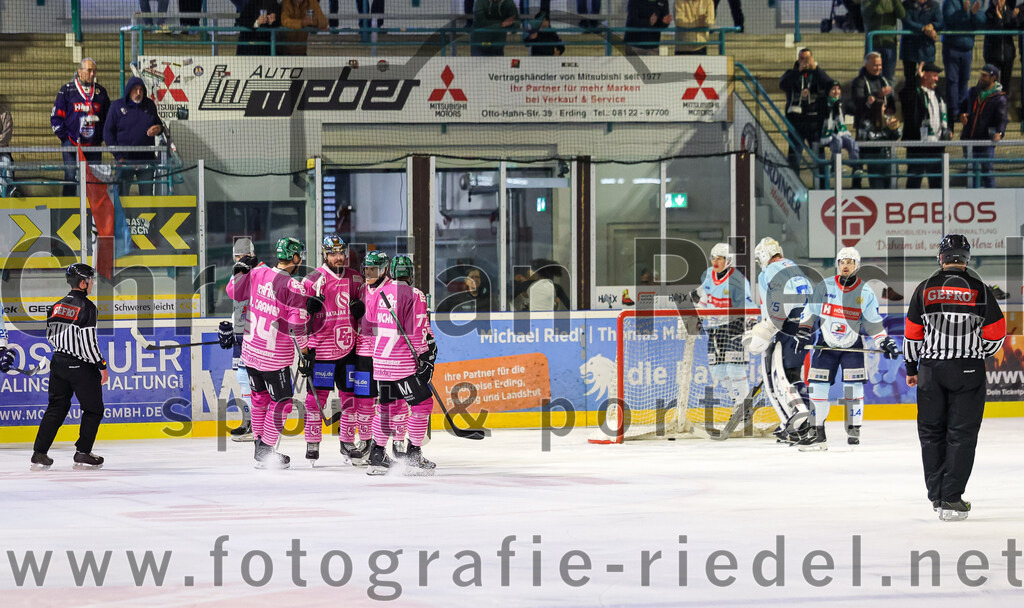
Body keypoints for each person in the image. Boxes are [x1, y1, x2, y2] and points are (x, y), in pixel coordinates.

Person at [904, 234, 1006, 521]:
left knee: (931, 434)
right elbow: (996, 333)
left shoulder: (924, 288)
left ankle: (937, 496)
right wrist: (978, 351)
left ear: (941, 258)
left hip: (930, 370)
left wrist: (911, 368)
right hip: (968, 369)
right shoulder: (980, 289)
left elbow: (912, 334)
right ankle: (951, 498)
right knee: (962, 435)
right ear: (966, 259)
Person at [226, 237, 318, 469]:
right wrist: (306, 353)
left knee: (260, 400)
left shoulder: (258, 273)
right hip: (273, 358)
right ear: (295, 258)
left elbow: (233, 292)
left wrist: (240, 272)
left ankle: (260, 448)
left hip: (250, 353)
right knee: (283, 403)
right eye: (299, 257)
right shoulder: (293, 286)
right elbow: (297, 326)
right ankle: (266, 451)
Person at [796, 247, 899, 449]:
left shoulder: (865, 292)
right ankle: (817, 433)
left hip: (853, 346)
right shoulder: (824, 286)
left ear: (857, 265)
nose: (845, 265)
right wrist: (803, 331)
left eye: (850, 262)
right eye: (842, 262)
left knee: (853, 389)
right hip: (825, 345)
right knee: (817, 388)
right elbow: (810, 310)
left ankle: (853, 429)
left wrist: (884, 341)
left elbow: (873, 323)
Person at [30, 264, 109, 471]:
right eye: (90, 280)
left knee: (56, 408)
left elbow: (50, 336)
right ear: (82, 283)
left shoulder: (55, 306)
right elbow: (89, 344)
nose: (92, 283)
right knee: (94, 410)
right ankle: (83, 452)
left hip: (58, 362)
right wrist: (101, 365)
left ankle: (39, 453)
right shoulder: (87, 307)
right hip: (81, 366)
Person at [300, 235, 365, 465]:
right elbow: (297, 316)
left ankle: (347, 443)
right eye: (333, 253)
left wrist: (361, 310)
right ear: (324, 254)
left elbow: (369, 308)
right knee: (315, 400)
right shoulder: (311, 280)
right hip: (322, 351)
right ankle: (312, 442)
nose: (338, 257)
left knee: (350, 398)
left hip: (349, 348)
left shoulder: (356, 278)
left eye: (341, 253)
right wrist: (304, 350)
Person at [744, 237, 814, 443]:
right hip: (805, 324)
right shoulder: (793, 267)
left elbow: (780, 301)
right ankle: (797, 423)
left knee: (777, 378)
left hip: (785, 325)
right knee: (793, 374)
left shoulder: (770, 271)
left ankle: (799, 420)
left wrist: (768, 327)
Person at [380, 255, 438, 474]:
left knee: (386, 408)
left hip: (381, 363)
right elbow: (419, 330)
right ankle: (413, 454)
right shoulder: (416, 294)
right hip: (402, 362)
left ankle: (376, 453)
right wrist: (426, 356)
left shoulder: (379, 293)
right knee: (423, 405)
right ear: (411, 274)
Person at [692, 243, 756, 411]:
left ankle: (744, 406)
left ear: (728, 260)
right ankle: (737, 401)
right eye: (713, 258)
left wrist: (751, 321)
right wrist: (698, 315)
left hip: (735, 326)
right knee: (718, 371)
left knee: (735, 369)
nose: (715, 262)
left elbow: (748, 303)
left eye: (719, 258)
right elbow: (704, 299)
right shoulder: (708, 275)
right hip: (715, 328)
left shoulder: (737, 280)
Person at [219, 237, 262, 442]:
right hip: (241, 334)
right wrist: (230, 327)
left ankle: (257, 425)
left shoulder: (261, 271)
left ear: (252, 255)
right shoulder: (238, 272)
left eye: (244, 256)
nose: (241, 259)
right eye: (237, 256)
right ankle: (248, 422)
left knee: (254, 381)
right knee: (243, 379)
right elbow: (235, 298)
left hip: (256, 335)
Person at [350, 250, 389, 468]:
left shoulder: (392, 290)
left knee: (390, 402)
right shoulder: (362, 290)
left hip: (387, 353)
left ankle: (393, 443)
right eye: (366, 269)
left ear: (384, 270)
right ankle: (366, 441)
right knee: (364, 401)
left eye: (374, 269)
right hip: (364, 351)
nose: (369, 273)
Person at [52, 58, 110, 197]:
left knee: (94, 179)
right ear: (79, 71)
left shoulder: (101, 92)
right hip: (71, 144)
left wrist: (100, 137)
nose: (92, 74)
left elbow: (108, 118)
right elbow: (56, 117)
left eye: (94, 71)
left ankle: (92, 210)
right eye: (89, 70)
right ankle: (68, 208)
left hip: (93, 145)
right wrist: (65, 138)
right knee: (70, 177)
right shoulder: (67, 90)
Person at [103, 76, 162, 196]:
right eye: (135, 89)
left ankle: (146, 210)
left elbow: (158, 125)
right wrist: (119, 157)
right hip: (125, 160)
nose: (138, 93)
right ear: (129, 90)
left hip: (146, 160)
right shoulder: (116, 106)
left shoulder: (150, 105)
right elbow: (107, 133)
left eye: (141, 89)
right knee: (122, 195)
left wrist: (158, 129)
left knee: (147, 195)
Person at [780, 48, 832, 171]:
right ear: (798, 60)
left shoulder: (818, 74)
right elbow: (783, 85)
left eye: (807, 58)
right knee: (794, 155)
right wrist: (798, 71)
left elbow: (830, 85)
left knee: (818, 154)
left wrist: (816, 69)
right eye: (802, 58)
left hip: (814, 122)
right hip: (796, 121)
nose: (805, 61)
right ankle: (794, 181)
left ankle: (822, 181)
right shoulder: (791, 73)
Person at [900, 61, 950, 188]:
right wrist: (917, 78)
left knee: (937, 181)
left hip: (937, 145)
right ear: (925, 75)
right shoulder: (915, 91)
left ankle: (938, 201)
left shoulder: (939, 93)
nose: (937, 79)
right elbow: (905, 95)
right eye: (934, 75)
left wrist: (949, 129)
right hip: (918, 144)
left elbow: (947, 112)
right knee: (914, 180)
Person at [958, 64, 1008, 188]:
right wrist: (961, 115)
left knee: (987, 172)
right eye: (982, 75)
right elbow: (962, 107)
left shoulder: (999, 98)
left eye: (985, 76)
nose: (981, 78)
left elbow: (1002, 119)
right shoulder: (972, 92)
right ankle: (972, 196)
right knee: (971, 173)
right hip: (969, 139)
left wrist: (999, 133)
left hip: (986, 142)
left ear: (993, 78)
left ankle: (990, 196)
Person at [942, 0, 985, 123]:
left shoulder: (975, 2)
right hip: (952, 47)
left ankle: (962, 111)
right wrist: (965, 12)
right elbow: (949, 20)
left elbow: (981, 23)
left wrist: (974, 14)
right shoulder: (950, 2)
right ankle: (954, 112)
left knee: (964, 80)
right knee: (952, 81)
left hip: (967, 48)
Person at [858, 98, 903, 188]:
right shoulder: (866, 122)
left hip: (890, 161)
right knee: (877, 190)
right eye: (883, 106)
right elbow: (867, 139)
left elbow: (896, 136)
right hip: (874, 162)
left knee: (892, 190)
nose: (885, 108)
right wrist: (887, 131)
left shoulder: (888, 120)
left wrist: (895, 130)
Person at [819, 81, 861, 166]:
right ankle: (835, 166)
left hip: (841, 132)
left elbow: (856, 110)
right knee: (837, 141)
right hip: (827, 134)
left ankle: (856, 167)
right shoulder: (822, 103)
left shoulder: (842, 103)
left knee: (851, 142)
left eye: (838, 89)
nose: (836, 91)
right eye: (833, 89)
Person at [901, 0, 943, 83]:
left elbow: (940, 22)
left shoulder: (934, 5)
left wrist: (932, 25)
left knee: (928, 79)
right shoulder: (906, 5)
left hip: (927, 49)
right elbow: (907, 22)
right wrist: (923, 29)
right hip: (910, 49)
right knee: (910, 80)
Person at [862, 0, 906, 81]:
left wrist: (895, 2)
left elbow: (902, 15)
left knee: (889, 77)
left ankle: (889, 89)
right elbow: (865, 14)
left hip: (889, 42)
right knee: (871, 75)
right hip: (873, 43)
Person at [983, 0, 1019, 96]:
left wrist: (1014, 18)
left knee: (1005, 85)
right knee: (992, 85)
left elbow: (1013, 30)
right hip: (993, 55)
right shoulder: (989, 13)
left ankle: (1004, 102)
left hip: (1007, 55)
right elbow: (993, 31)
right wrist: (999, 19)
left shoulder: (1009, 12)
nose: (999, 1)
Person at [0, 101, 12, 196]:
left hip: (2, 151)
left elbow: (6, 137)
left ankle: (8, 192)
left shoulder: (5, 113)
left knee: (6, 162)